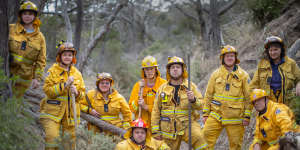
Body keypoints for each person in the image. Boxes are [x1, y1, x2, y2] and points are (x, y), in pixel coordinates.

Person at [151, 56, 208, 150]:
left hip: (188, 125)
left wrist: (193, 100)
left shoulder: (191, 86)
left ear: (183, 70)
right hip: (168, 128)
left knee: (201, 141)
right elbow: (156, 111)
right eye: (172, 67)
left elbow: (202, 105)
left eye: (178, 67)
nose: (175, 69)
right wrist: (156, 131)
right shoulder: (162, 89)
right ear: (169, 71)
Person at [202, 45, 252, 150]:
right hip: (216, 115)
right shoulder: (215, 74)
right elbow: (208, 95)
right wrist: (205, 114)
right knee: (204, 140)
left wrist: (247, 116)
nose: (229, 58)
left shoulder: (244, 76)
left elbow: (249, 98)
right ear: (223, 59)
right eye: (227, 56)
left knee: (236, 146)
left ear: (235, 58)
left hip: (236, 117)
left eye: (232, 56)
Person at [39, 41, 85, 150]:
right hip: (52, 112)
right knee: (52, 139)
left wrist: (77, 93)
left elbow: (82, 95)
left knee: (69, 144)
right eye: (64, 55)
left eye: (70, 55)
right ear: (59, 56)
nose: (67, 57)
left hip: (71, 115)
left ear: (73, 57)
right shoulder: (52, 71)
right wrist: (64, 85)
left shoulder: (77, 74)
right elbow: (47, 90)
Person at [9, 0, 46, 98]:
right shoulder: (11, 29)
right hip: (7, 73)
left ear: (35, 16)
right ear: (20, 15)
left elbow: (41, 61)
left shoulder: (40, 37)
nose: (27, 16)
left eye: (30, 14)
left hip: (24, 78)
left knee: (15, 104)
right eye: (25, 13)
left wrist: (37, 78)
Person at [250, 36, 300, 104]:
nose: (273, 53)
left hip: (287, 105)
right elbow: (253, 86)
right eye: (270, 50)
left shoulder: (291, 63)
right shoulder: (262, 65)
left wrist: (299, 84)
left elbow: (299, 78)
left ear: (281, 50)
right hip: (267, 105)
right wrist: (258, 100)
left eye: (275, 49)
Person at [129, 56, 167, 130]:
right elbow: (131, 108)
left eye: (151, 68)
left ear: (156, 69)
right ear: (143, 71)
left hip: (159, 126)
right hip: (142, 127)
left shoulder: (163, 84)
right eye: (147, 69)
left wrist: (146, 107)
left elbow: (166, 107)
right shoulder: (138, 85)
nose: (149, 71)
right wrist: (138, 100)